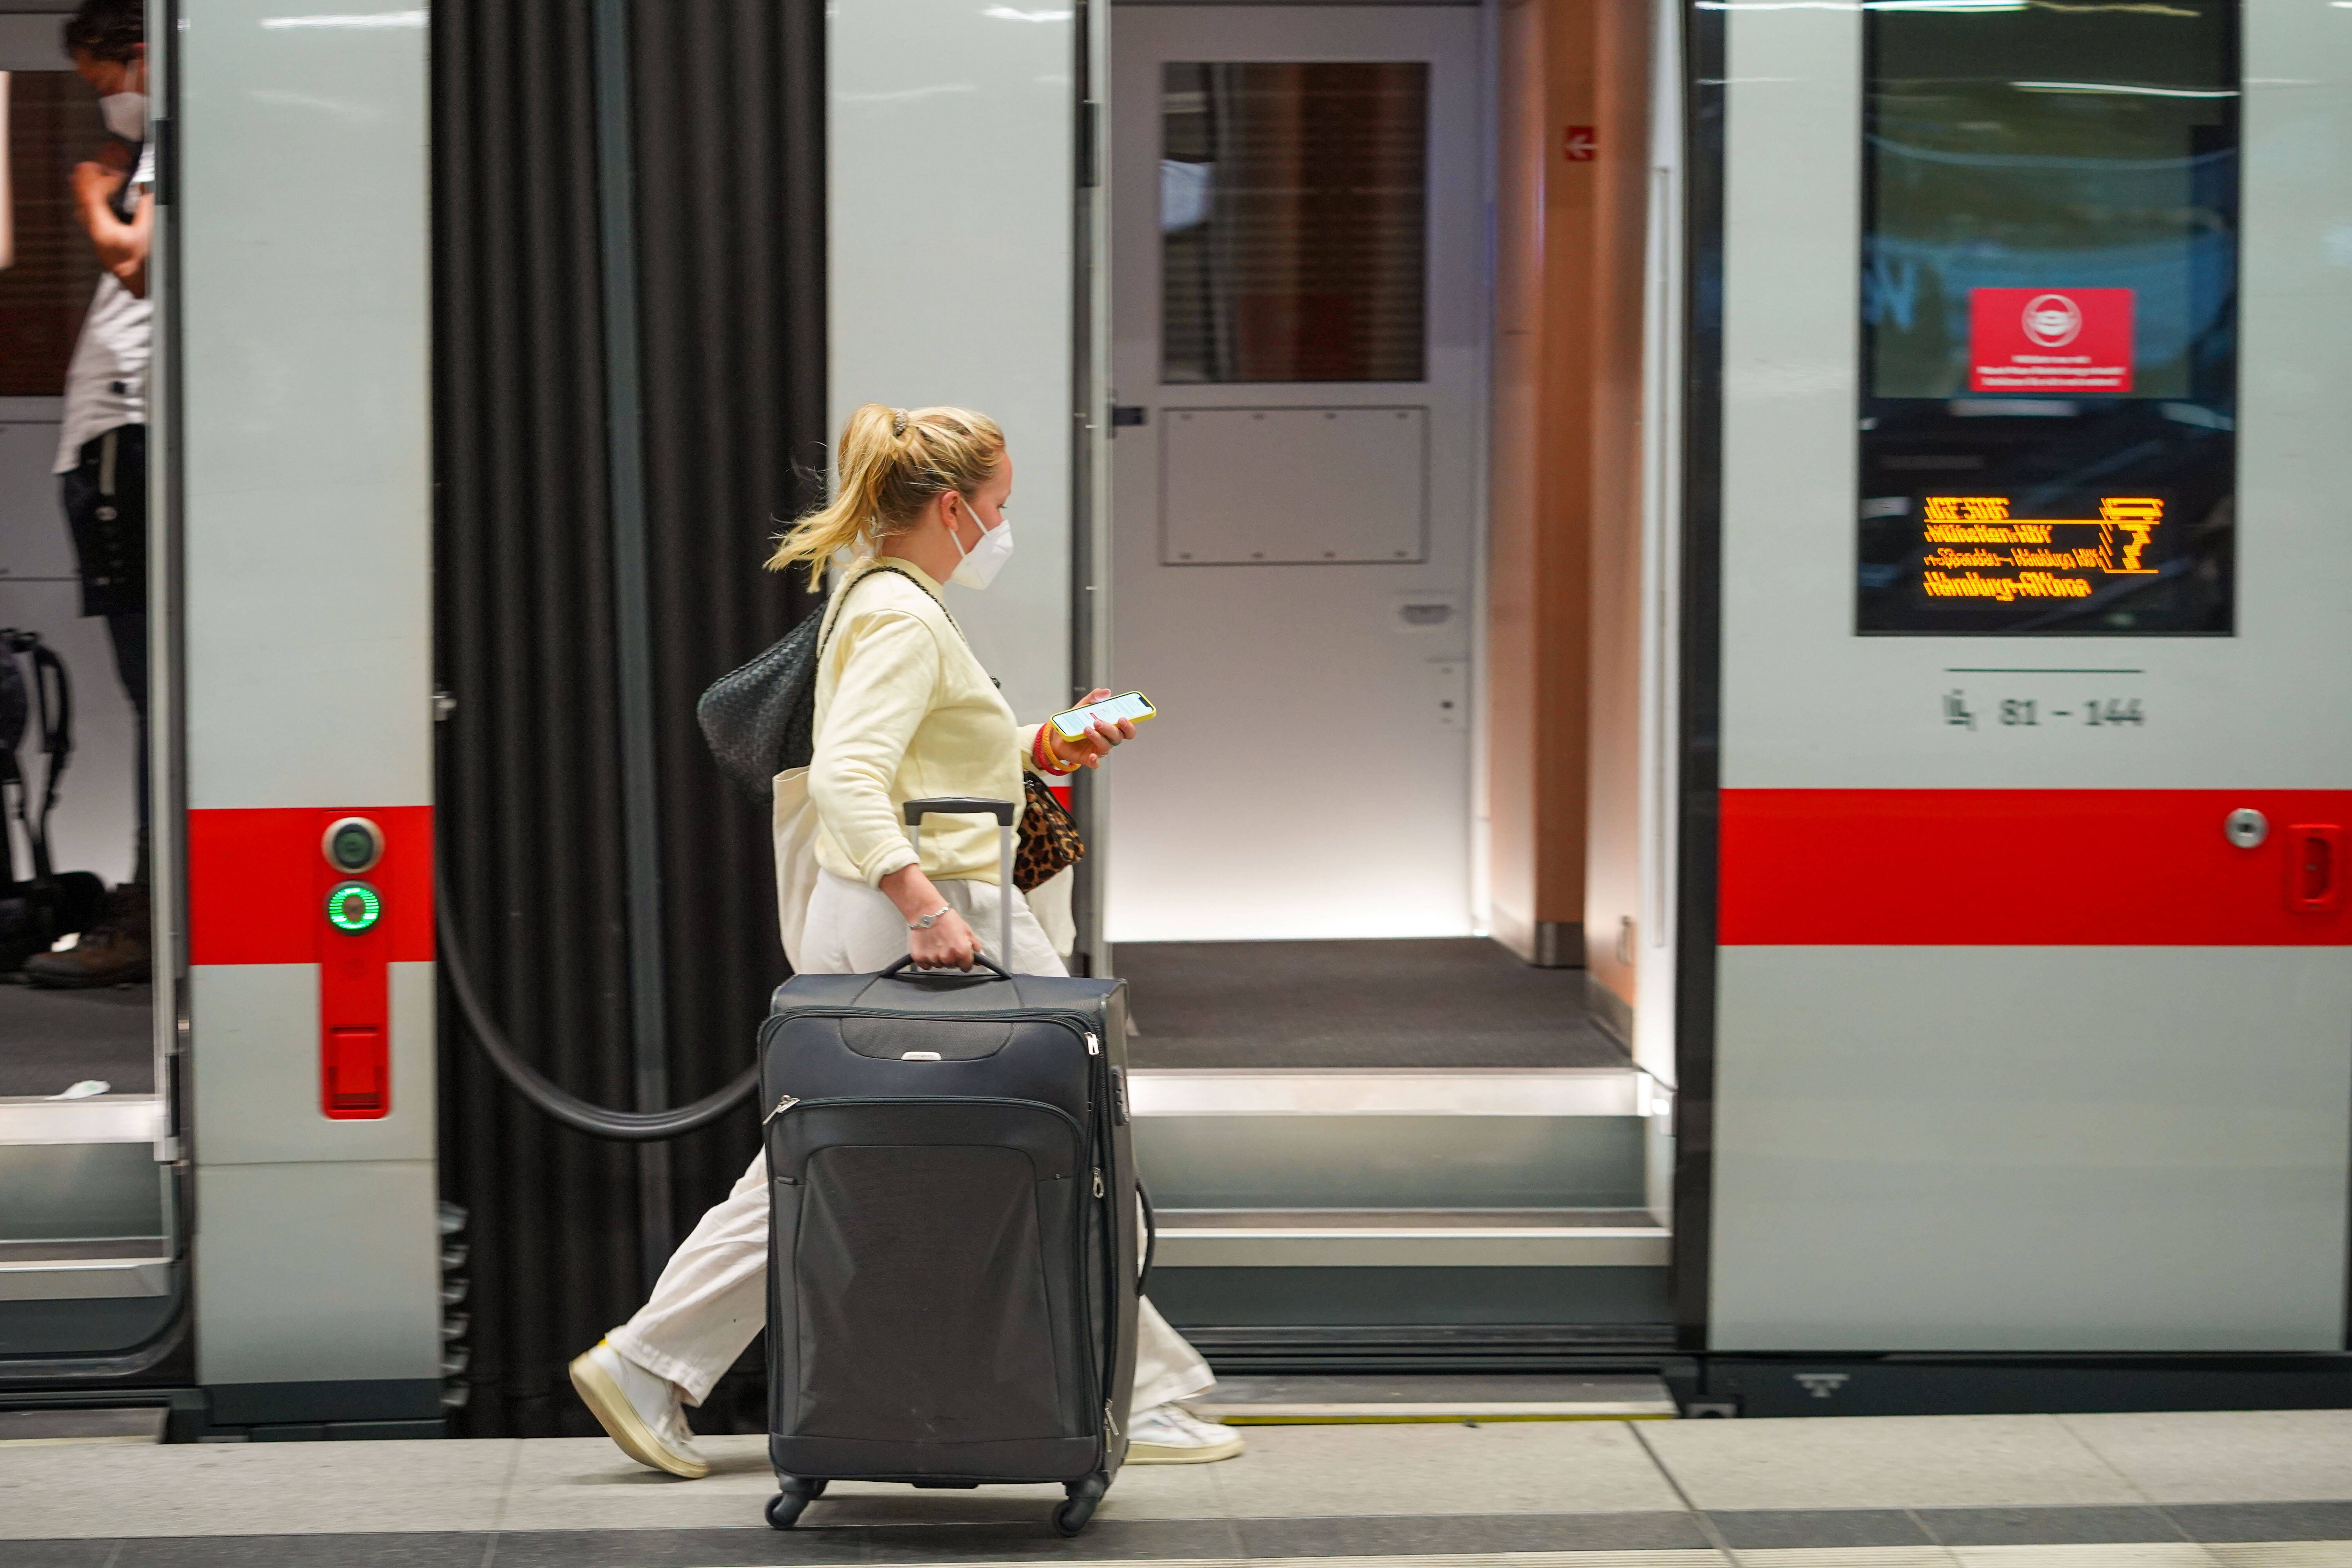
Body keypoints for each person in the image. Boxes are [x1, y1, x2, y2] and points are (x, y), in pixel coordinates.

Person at [569, 404, 1243, 1476]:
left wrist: (1048, 742)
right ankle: (1141, 1389)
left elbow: (936, 761)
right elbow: (849, 773)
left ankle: (653, 1364)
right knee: (1065, 1141)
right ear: (949, 509)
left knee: (843, 1150)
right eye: (999, 508)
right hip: (937, 923)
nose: (1002, 527)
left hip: (922, 915)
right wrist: (927, 911)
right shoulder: (899, 617)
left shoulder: (885, 604)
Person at [25, 0, 153, 988]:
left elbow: (138, 262)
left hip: (126, 433)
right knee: (146, 685)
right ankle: (153, 898)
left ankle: (156, 907)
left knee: (158, 689)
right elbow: (131, 259)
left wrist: (108, 181)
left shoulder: (166, 147)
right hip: (110, 436)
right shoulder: (132, 154)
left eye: (104, 80)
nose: (104, 102)